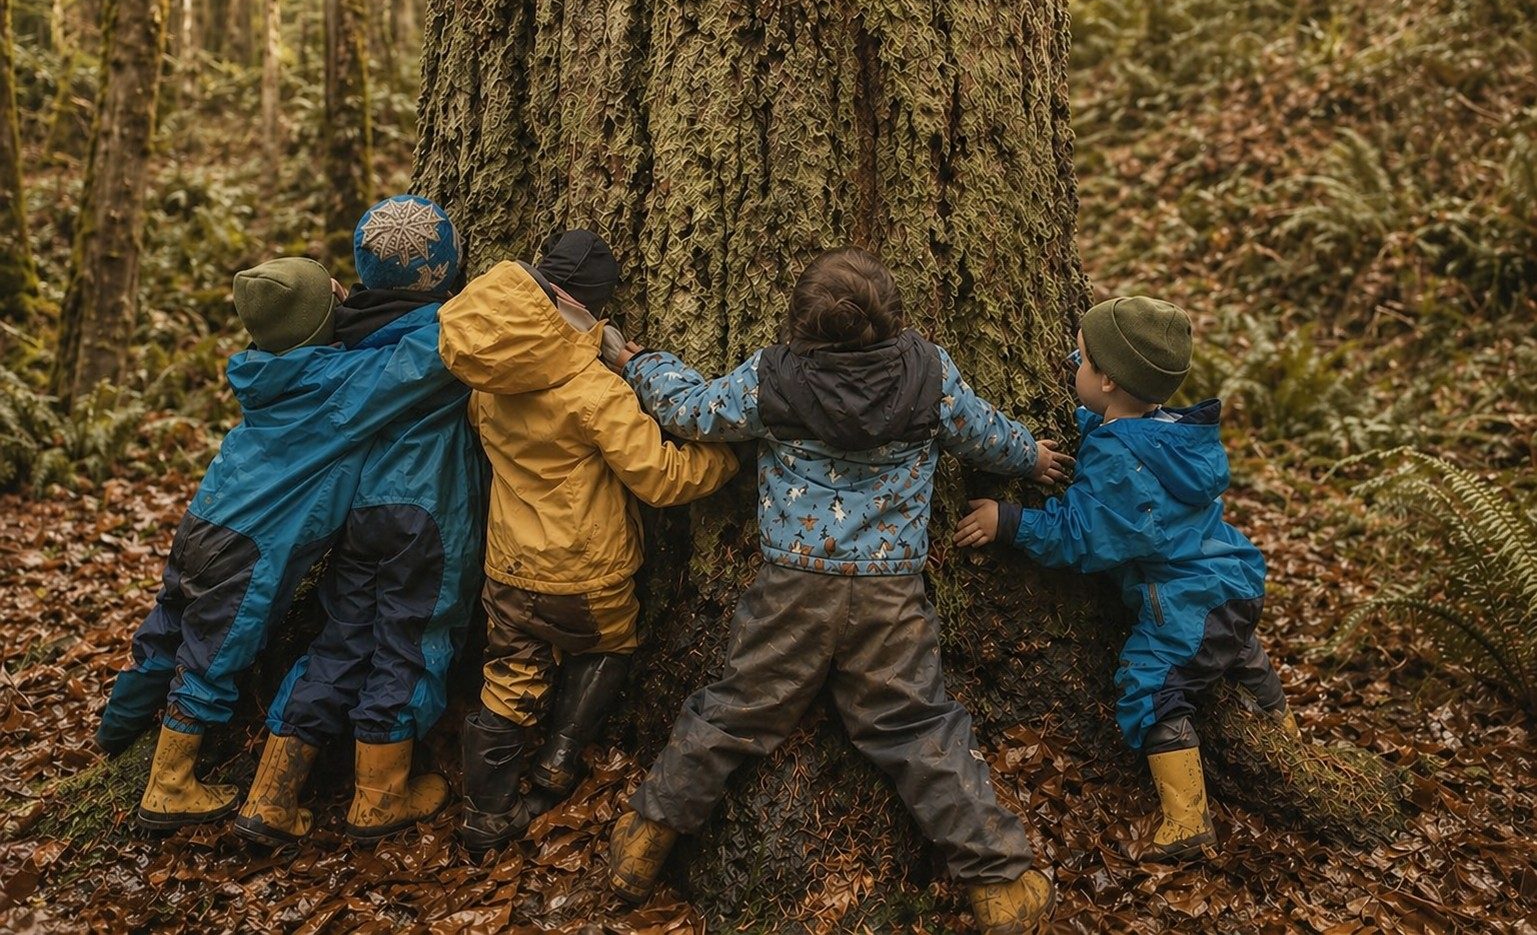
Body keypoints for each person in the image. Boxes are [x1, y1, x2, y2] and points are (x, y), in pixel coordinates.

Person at [604, 247, 1071, 935]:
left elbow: (690, 410)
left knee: (736, 710)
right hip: (889, 592)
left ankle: (645, 838)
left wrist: (638, 362)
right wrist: (1031, 454)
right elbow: (983, 436)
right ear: (893, 317)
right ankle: (999, 885)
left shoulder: (773, 377)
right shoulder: (929, 373)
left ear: (800, 324)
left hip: (793, 585)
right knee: (914, 725)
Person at [95, 257, 460, 832]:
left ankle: (115, 731)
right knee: (212, 657)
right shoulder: (337, 389)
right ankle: (168, 787)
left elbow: (306, 322)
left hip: (205, 521)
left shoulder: (265, 371)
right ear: (323, 324)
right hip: (251, 550)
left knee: (167, 630)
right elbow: (418, 363)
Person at [954, 296, 1298, 862]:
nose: (1073, 367)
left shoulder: (1120, 461)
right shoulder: (1163, 432)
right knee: (1237, 651)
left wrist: (1009, 521)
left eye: (1082, 361)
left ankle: (1188, 821)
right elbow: (1115, 432)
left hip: (1184, 598)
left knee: (1152, 686)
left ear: (1109, 380)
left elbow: (1083, 536)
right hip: (1231, 579)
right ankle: (1284, 733)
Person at [436, 230, 741, 854]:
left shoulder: (488, 381)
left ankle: (487, 812)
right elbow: (661, 476)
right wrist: (726, 462)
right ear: (593, 307)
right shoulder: (592, 390)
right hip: (587, 574)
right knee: (609, 645)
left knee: (510, 676)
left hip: (510, 568)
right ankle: (560, 758)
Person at [235, 196, 489, 847]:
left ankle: (270, 794)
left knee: (342, 639)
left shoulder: (333, 335)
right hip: (428, 518)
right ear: (448, 266)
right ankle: (379, 796)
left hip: (356, 516)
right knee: (410, 641)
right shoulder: (452, 334)